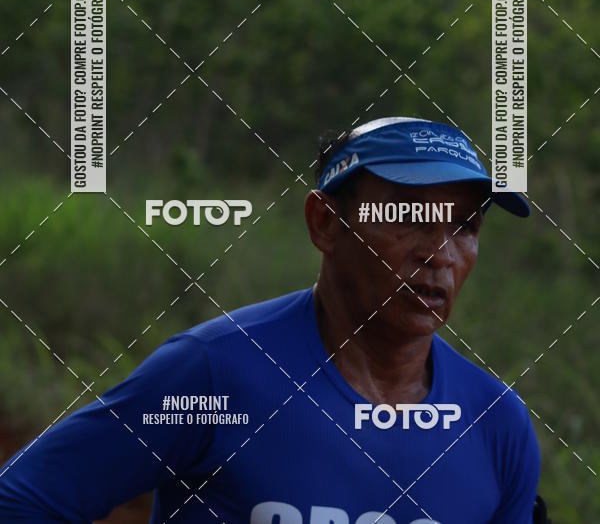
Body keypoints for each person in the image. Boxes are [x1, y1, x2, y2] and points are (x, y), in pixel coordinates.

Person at [0, 116, 544, 523]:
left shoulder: (496, 425)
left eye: (466, 225)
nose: (441, 253)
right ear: (325, 224)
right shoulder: (217, 374)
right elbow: (23, 500)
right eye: (407, 216)